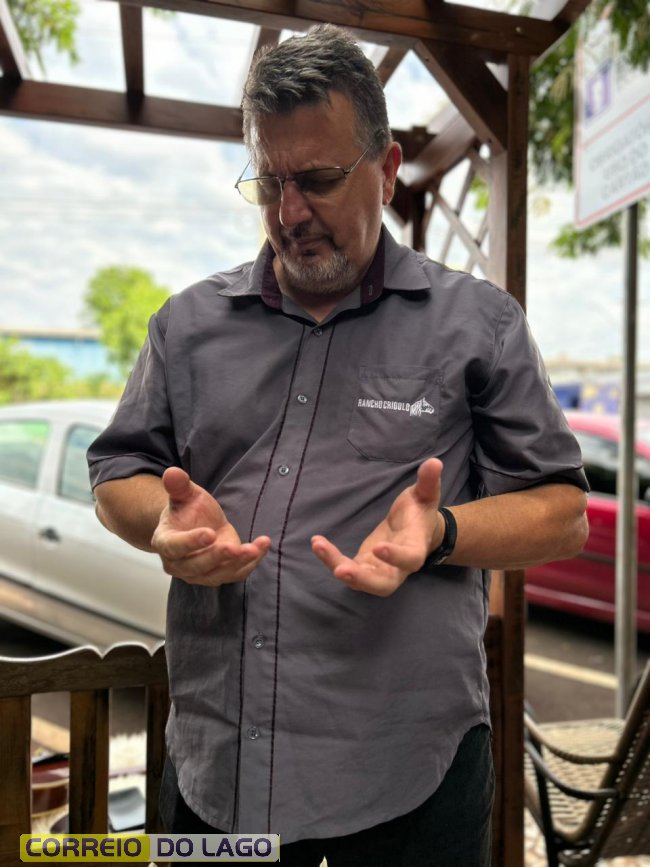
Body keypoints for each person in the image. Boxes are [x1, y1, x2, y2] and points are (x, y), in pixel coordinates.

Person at [88, 24, 589, 867]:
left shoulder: (479, 324)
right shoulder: (187, 326)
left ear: (387, 171)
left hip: (409, 780)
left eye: (318, 180)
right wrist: (160, 526)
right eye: (270, 183)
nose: (290, 214)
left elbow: (564, 512)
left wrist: (444, 533)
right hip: (218, 769)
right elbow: (117, 473)